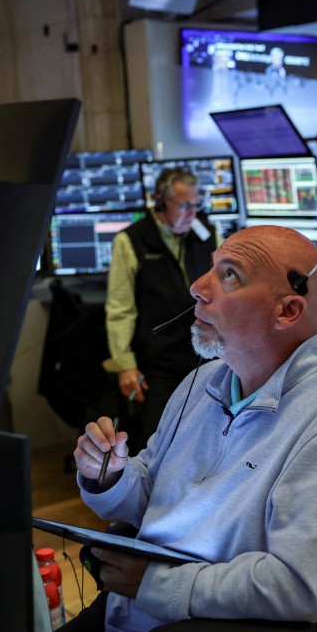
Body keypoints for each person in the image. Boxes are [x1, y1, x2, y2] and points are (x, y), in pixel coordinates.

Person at [56, 225, 317, 632]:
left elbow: (298, 586)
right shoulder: (204, 380)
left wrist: (152, 583)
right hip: (127, 613)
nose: (198, 288)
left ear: (288, 311)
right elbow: (152, 500)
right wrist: (108, 476)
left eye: (230, 275)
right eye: (211, 268)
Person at [104, 167, 217, 453]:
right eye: (184, 205)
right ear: (160, 202)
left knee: (209, 438)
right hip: (159, 362)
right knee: (155, 443)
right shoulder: (131, 241)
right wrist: (125, 365)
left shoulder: (205, 232)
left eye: (196, 204)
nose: (192, 213)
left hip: (205, 354)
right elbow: (120, 308)